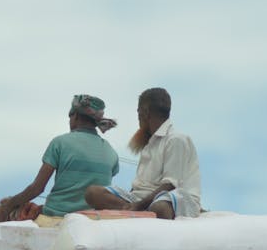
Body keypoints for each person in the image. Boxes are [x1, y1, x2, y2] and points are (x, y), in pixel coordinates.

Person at [0, 94, 120, 249]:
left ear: (75, 116)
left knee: (6, 204)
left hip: (56, 217)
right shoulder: (111, 152)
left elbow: (37, 188)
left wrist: (10, 204)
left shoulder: (60, 143)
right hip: (89, 219)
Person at [84, 87, 201, 219]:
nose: (138, 117)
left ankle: (137, 211)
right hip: (141, 199)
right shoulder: (149, 142)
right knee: (92, 193)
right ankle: (136, 211)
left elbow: (170, 185)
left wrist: (139, 205)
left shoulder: (176, 140)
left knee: (160, 208)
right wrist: (132, 202)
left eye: (138, 112)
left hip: (175, 198)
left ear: (145, 113)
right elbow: (138, 187)